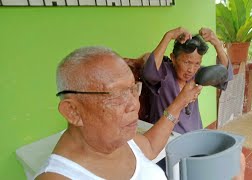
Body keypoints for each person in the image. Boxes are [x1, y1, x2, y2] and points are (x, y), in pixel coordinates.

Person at [34, 46, 202, 180]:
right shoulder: (59, 176)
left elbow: (150, 146)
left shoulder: (117, 139)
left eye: (133, 89)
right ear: (73, 111)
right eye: (116, 95)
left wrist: (180, 101)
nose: (134, 105)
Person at [142, 27, 233, 134]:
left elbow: (224, 74)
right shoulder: (163, 72)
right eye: (186, 62)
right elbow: (149, 72)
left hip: (195, 134)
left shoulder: (198, 73)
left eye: (197, 63)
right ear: (173, 58)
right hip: (168, 136)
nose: (191, 70)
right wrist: (169, 36)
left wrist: (217, 43)